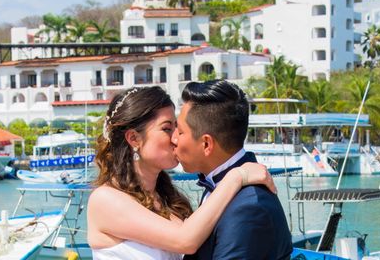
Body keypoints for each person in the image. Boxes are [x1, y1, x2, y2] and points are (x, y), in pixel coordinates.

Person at [87, 86, 276, 259]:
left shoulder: (167, 198)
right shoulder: (105, 199)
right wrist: (236, 176)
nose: (176, 138)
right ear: (134, 138)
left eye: (177, 128)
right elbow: (184, 241)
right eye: (167, 128)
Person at [173, 80, 292, 260]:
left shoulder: (247, 208)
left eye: (180, 131)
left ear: (206, 144)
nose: (174, 139)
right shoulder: (220, 184)